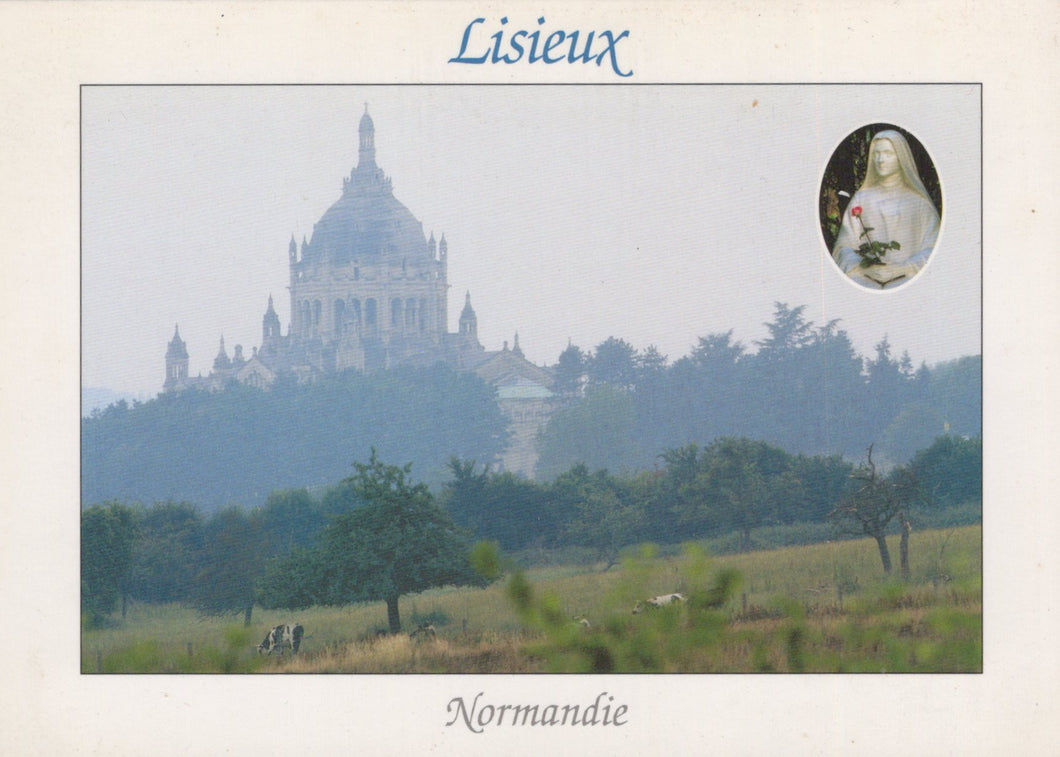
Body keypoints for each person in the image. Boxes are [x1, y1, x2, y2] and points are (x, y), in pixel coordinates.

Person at [831, 130, 940, 289]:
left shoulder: (919, 203)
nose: (880, 160)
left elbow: (933, 249)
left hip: (907, 278)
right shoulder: (862, 198)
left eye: (888, 153)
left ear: (900, 157)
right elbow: (843, 247)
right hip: (866, 278)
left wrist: (904, 268)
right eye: (876, 154)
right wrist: (863, 267)